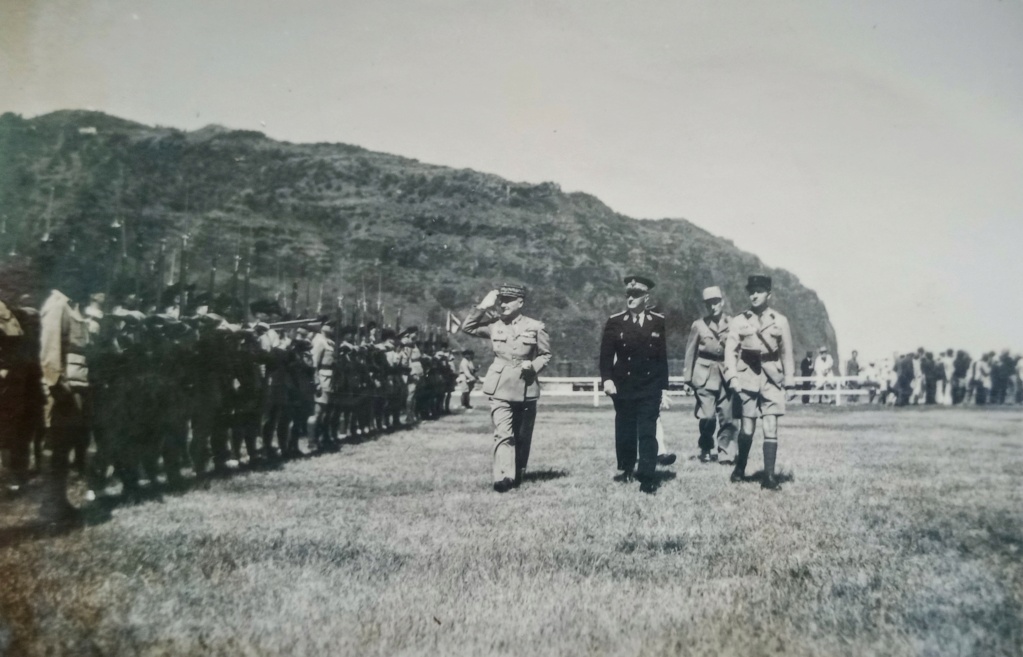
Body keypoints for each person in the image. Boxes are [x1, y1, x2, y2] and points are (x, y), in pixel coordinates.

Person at [462, 284, 552, 492]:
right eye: (501, 300)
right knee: (503, 433)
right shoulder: (495, 325)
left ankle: (518, 472)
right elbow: (468, 327)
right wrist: (484, 306)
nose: (503, 304)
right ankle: (504, 477)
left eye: (508, 300)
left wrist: (534, 366)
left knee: (522, 435)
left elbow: (545, 355)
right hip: (499, 386)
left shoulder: (536, 326)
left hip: (526, 386)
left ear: (520, 302)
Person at [723, 274, 794, 491]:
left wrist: (789, 381)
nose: (754, 295)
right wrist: (733, 377)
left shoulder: (780, 321)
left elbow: (786, 352)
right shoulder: (739, 321)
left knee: (771, 425)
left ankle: (769, 477)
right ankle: (740, 467)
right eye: (751, 292)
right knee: (747, 429)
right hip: (747, 378)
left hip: (772, 378)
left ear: (768, 295)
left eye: (759, 291)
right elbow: (730, 351)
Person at [599, 275, 669, 494]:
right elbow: (605, 355)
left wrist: (664, 389)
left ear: (646, 297)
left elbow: (661, 357)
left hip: (649, 386)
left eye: (636, 294)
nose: (631, 298)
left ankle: (647, 476)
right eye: (628, 294)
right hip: (624, 386)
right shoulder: (616, 321)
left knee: (647, 431)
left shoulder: (658, 321)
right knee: (626, 430)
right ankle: (628, 467)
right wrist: (607, 379)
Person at [682, 285, 738, 464]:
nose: (712, 307)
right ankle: (705, 447)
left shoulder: (733, 323)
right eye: (708, 304)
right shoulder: (698, 325)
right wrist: (687, 380)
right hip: (704, 376)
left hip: (726, 373)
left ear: (722, 302)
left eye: (715, 302)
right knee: (707, 416)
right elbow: (690, 353)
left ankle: (725, 452)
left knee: (727, 417)